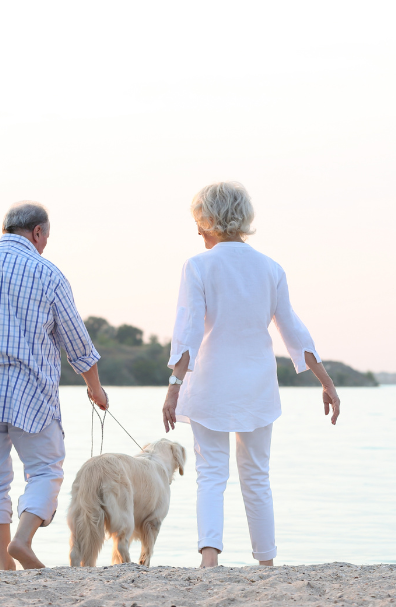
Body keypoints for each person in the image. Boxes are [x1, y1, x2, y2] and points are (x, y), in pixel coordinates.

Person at [162, 181, 341, 568]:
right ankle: (266, 565)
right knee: (257, 476)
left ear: (209, 221)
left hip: (210, 383)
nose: (196, 230)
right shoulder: (270, 268)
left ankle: (209, 561)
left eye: (198, 221)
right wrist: (326, 382)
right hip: (257, 387)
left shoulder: (198, 265)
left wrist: (174, 387)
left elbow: (189, 330)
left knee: (210, 472)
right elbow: (293, 329)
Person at [0, 201, 108, 570]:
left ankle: (3, 564)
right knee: (45, 469)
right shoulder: (47, 273)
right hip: (29, 389)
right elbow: (77, 340)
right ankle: (22, 540)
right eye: (46, 238)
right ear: (38, 233)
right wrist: (94, 388)